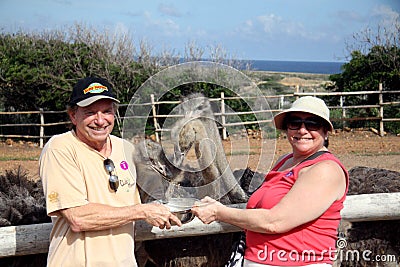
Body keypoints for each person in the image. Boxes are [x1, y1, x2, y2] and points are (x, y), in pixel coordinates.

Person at [39, 77, 181, 267]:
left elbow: (147, 200)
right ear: (73, 115)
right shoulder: (60, 149)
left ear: (114, 113)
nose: (100, 120)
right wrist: (141, 211)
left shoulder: (127, 150)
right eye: (90, 113)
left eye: (107, 111)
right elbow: (78, 217)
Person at [191, 96, 349, 266]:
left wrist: (218, 212)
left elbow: (275, 222)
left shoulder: (325, 170)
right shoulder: (285, 161)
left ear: (325, 132)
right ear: (287, 129)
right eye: (295, 123)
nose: (302, 130)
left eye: (312, 124)